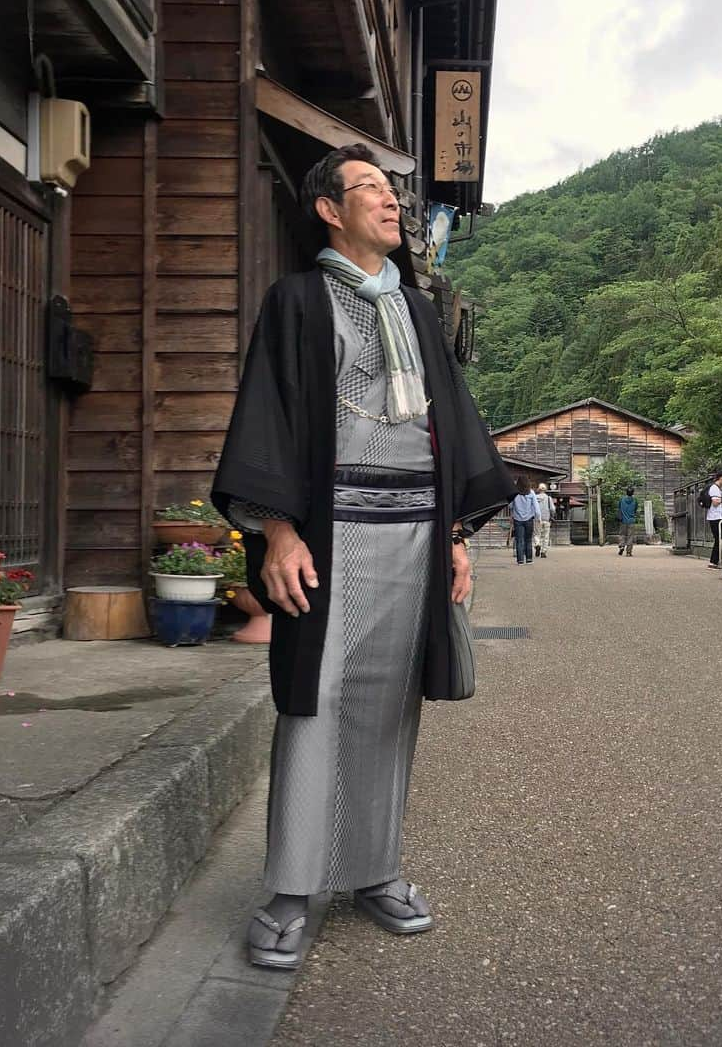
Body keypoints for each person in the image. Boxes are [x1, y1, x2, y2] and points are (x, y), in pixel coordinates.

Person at [211, 144, 514, 969]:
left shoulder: (416, 311)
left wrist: (455, 537)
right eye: (372, 191)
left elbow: (448, 420)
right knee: (318, 696)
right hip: (331, 527)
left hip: (416, 528)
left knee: (389, 701)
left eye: (392, 194)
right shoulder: (298, 301)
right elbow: (268, 414)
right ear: (328, 209)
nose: (391, 205)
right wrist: (276, 530)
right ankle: (291, 884)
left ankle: (374, 868)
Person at [509, 476, 540, 564]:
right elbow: (536, 507)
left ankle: (520, 560)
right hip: (529, 519)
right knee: (528, 539)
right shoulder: (531, 493)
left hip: (517, 519)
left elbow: (510, 506)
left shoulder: (514, 493)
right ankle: (529, 559)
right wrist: (538, 518)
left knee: (519, 540)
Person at [705, 470, 722, 569]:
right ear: (721, 478)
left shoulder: (718, 488)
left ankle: (715, 561)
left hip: (717, 516)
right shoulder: (714, 488)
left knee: (719, 539)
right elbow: (715, 502)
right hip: (715, 517)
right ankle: (713, 562)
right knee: (718, 539)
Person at [534, 482, 554, 558]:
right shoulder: (549, 498)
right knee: (546, 536)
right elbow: (552, 509)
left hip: (537, 519)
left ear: (538, 489)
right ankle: (543, 552)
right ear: (545, 490)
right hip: (546, 519)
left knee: (537, 534)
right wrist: (551, 514)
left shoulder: (535, 498)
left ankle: (537, 544)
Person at [617, 486, 639, 556]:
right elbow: (635, 510)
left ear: (626, 492)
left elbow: (619, 508)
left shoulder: (622, 499)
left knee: (622, 534)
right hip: (631, 521)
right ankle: (628, 552)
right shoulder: (635, 500)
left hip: (623, 520)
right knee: (630, 536)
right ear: (633, 493)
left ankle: (622, 546)